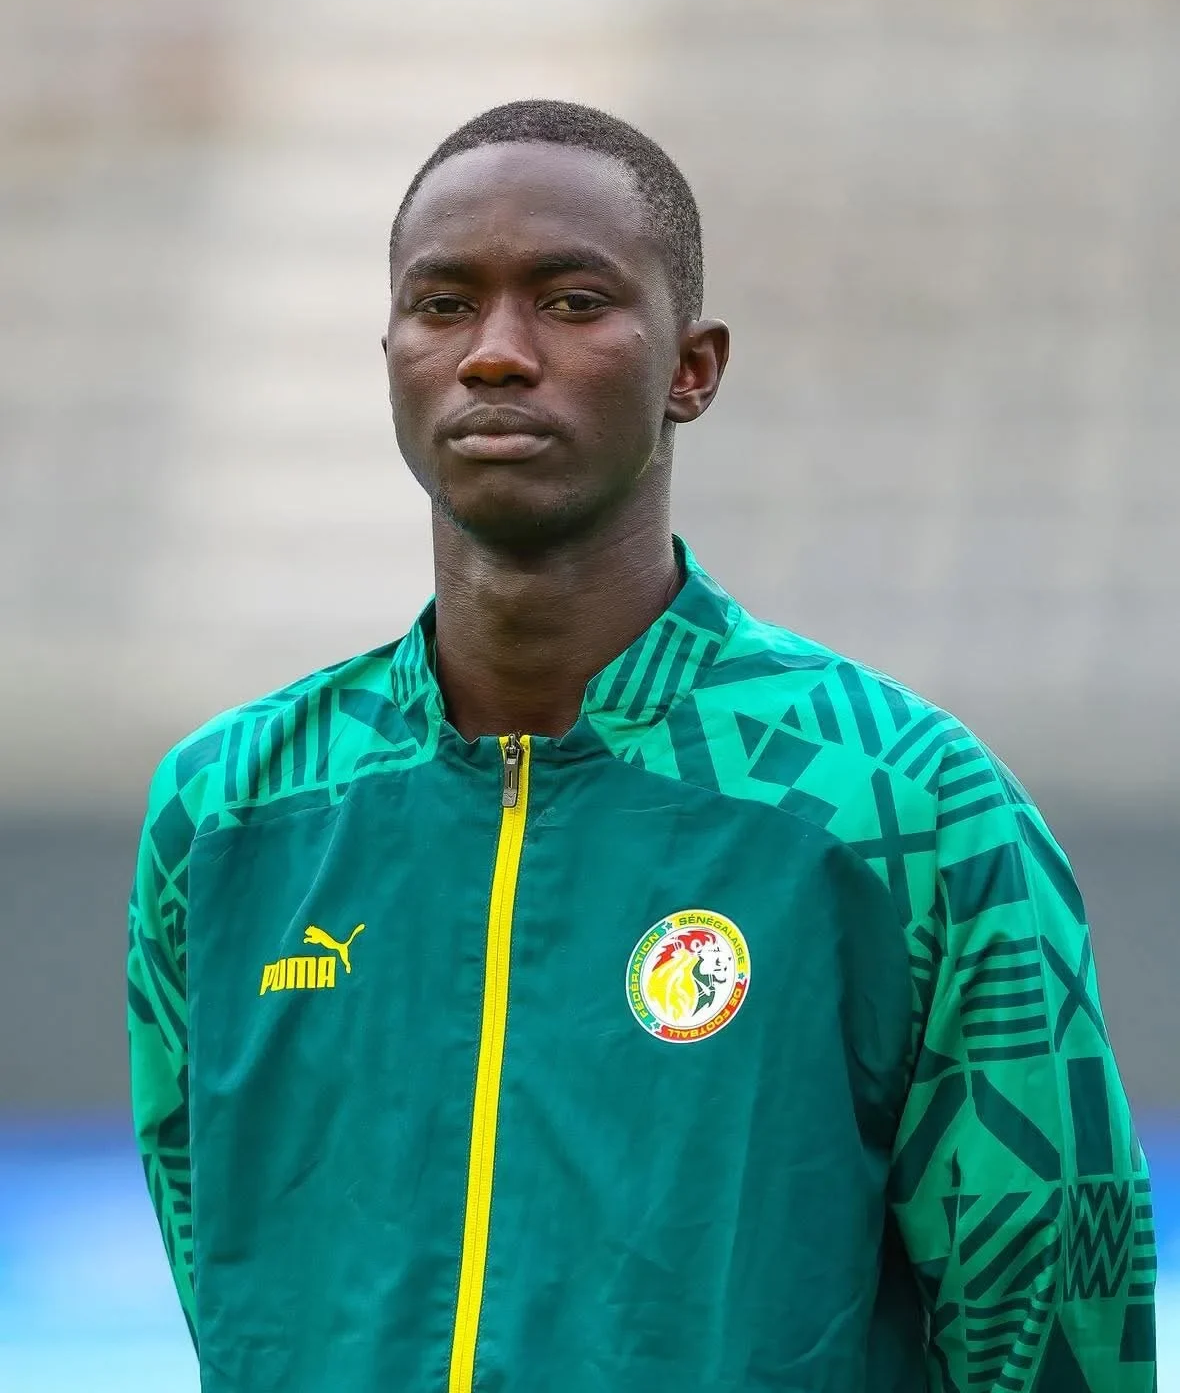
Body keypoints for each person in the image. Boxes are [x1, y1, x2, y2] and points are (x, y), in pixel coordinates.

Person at [128, 99, 1156, 1392]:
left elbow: (1054, 1324)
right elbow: (228, 1282)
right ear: (390, 354)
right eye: (444, 305)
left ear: (693, 368)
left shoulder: (901, 804)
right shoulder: (229, 811)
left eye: (571, 301)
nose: (496, 354)